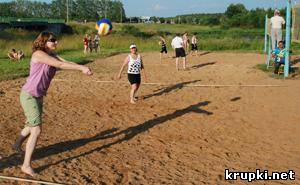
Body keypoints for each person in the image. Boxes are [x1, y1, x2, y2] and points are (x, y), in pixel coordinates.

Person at [12, 31, 92, 177]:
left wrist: (81, 67)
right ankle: (26, 165)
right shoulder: (38, 54)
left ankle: (17, 144)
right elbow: (59, 64)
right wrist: (81, 68)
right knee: (36, 130)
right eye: (52, 40)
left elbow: (65, 62)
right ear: (43, 42)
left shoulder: (52, 55)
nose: (56, 42)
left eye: (56, 40)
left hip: (38, 96)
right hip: (29, 95)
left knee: (31, 125)